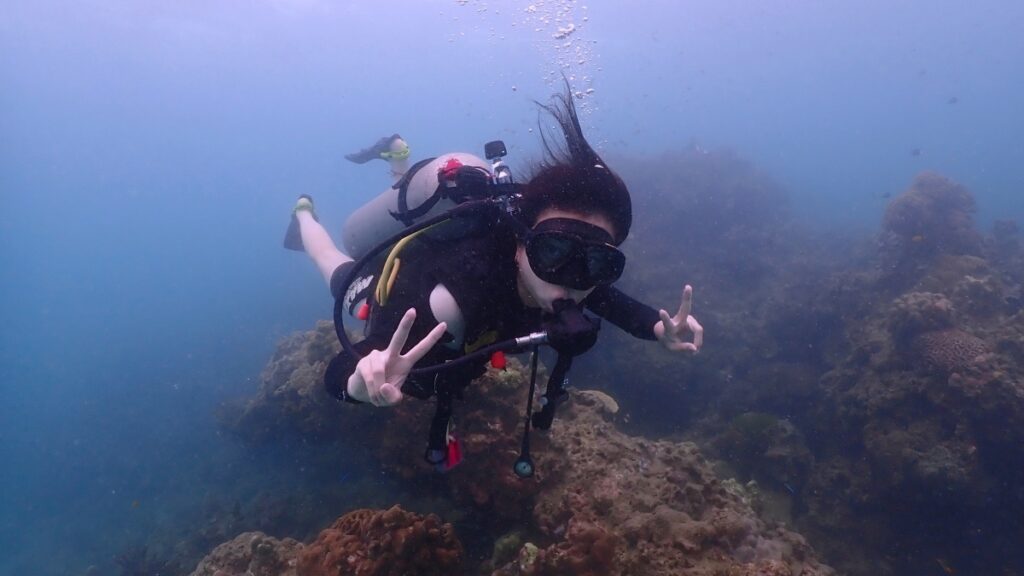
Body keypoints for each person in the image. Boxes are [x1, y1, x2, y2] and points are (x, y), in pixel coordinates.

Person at [285, 87, 703, 471]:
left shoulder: (570, 282)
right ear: (520, 245)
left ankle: (400, 163)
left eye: (597, 263)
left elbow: (607, 300)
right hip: (395, 283)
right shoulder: (452, 300)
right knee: (331, 264)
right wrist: (360, 382)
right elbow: (341, 371)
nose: (572, 283)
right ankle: (303, 213)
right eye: (552, 252)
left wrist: (657, 329)